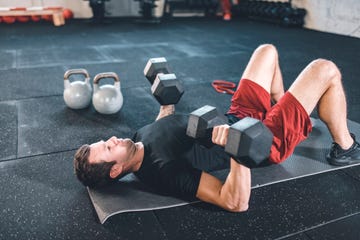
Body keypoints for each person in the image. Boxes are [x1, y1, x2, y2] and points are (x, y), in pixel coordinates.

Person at [73, 44, 360, 212]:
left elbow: (163, 127)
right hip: (260, 142)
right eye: (108, 148)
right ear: (114, 170)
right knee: (325, 69)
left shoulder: (137, 140)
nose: (111, 138)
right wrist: (236, 150)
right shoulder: (164, 173)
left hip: (238, 115)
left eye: (104, 140)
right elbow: (234, 202)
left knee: (266, 52)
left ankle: (282, 108)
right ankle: (346, 147)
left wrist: (165, 102)